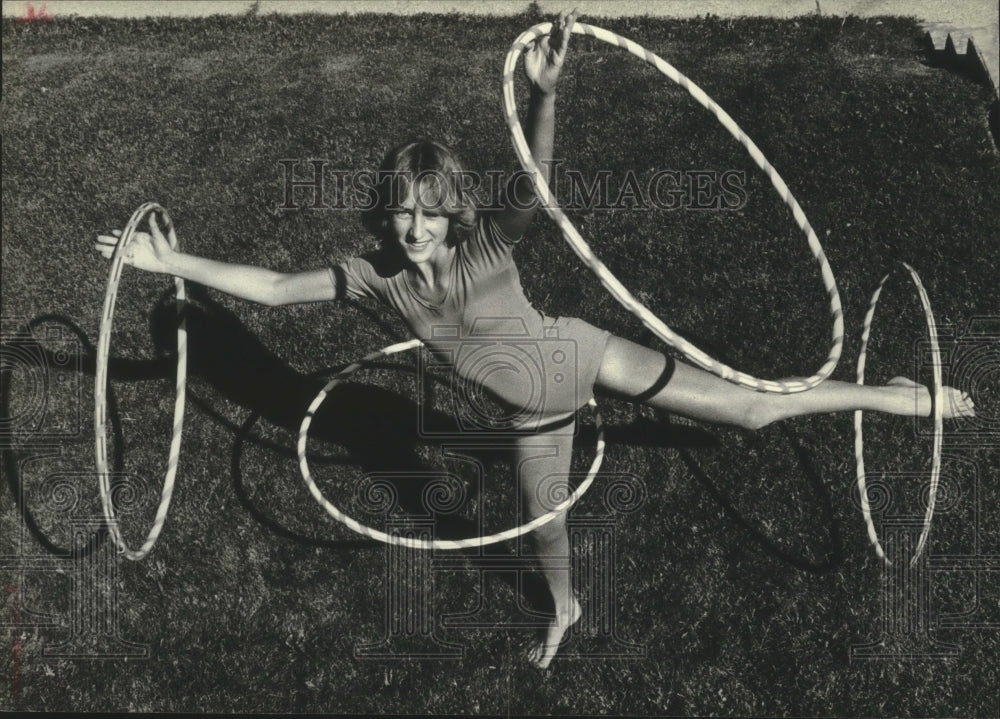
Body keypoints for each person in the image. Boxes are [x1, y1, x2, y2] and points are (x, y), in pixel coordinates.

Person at [95, 9, 974, 669]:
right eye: (402, 211)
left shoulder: (487, 241)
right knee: (546, 534)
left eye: (428, 212)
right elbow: (278, 291)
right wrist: (174, 264)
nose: (414, 227)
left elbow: (536, 183)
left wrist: (542, 95)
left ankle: (890, 394)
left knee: (746, 413)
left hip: (578, 352)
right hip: (531, 416)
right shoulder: (378, 276)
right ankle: (563, 610)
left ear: (451, 213)